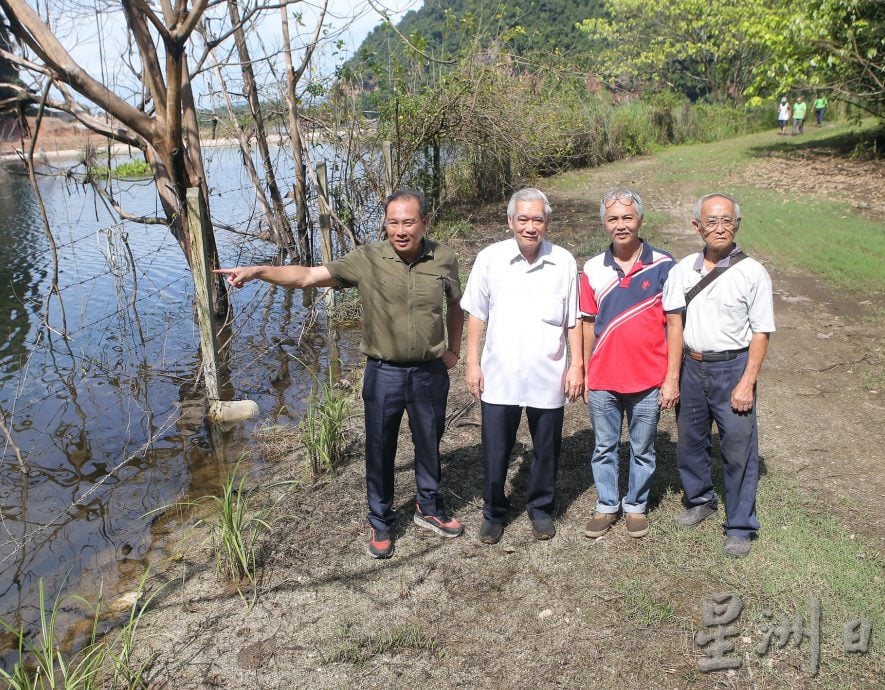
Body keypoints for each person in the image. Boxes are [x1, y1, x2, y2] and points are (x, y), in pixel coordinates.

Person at [214, 190, 465, 560]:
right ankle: (381, 521)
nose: (400, 230)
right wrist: (257, 271)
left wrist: (454, 350)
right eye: (393, 222)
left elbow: (457, 305)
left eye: (408, 222)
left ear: (424, 223)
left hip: (430, 373)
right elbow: (306, 277)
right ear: (385, 223)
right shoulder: (367, 259)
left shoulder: (443, 258)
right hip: (384, 375)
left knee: (429, 443)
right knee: (380, 450)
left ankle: (429, 507)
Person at [462, 187, 583, 544]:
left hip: (548, 370)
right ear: (511, 221)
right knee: (496, 448)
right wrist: (472, 362)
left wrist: (576, 366)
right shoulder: (490, 259)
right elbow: (476, 314)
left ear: (548, 222)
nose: (530, 226)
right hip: (500, 372)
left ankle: (541, 508)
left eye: (538, 219)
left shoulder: (563, 261)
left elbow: (573, 319)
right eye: (523, 219)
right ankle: (494, 511)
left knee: (547, 448)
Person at [661, 192, 775, 558]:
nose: (720, 227)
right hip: (692, 367)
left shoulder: (753, 272)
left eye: (727, 220)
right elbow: (674, 325)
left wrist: (747, 382)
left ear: (737, 224)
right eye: (711, 221)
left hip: (732, 368)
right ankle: (700, 500)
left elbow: (761, 332)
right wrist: (673, 376)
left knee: (738, 448)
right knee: (690, 442)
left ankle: (740, 525)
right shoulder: (682, 270)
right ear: (697, 227)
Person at [579, 188, 682, 539]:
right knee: (604, 447)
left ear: (640, 220)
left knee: (642, 448)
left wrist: (671, 378)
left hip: (649, 379)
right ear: (603, 224)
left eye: (627, 217)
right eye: (613, 219)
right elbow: (588, 323)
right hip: (604, 378)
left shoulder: (665, 265)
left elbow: (674, 325)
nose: (620, 225)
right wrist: (585, 370)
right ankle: (607, 505)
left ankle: (636, 505)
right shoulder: (592, 268)